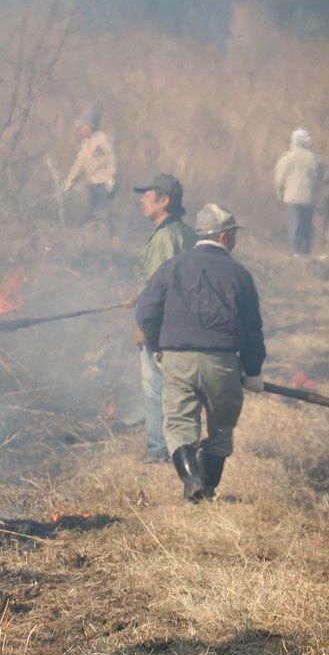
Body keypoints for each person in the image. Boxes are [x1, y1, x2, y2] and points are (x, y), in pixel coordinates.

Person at [135, 204, 266, 502]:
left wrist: (158, 347)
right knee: (220, 431)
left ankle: (192, 480)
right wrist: (253, 371)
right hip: (222, 362)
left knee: (179, 427)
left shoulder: (173, 267)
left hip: (177, 360)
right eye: (232, 235)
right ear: (223, 237)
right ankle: (205, 489)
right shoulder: (239, 273)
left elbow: (145, 312)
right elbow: (252, 328)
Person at [129, 173, 196, 464]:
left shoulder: (166, 237)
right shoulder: (182, 232)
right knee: (178, 389)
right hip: (182, 325)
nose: (142, 200)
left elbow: (161, 287)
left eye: (148, 195)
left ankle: (159, 449)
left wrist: (145, 326)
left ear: (164, 200)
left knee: (155, 387)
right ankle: (180, 447)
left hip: (162, 327)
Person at [59, 112, 118, 233]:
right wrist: (69, 181)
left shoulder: (102, 138)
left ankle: (110, 237)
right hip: (94, 182)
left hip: (105, 181)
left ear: (90, 126)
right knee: (93, 210)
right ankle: (98, 236)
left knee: (102, 211)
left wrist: (112, 177)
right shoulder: (85, 144)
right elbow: (78, 164)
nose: (80, 129)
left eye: (82, 126)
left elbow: (112, 157)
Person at [273, 127, 325, 256]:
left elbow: (279, 179)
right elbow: (322, 176)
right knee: (306, 225)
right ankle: (306, 251)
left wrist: (279, 195)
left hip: (292, 198)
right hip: (309, 198)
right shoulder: (314, 159)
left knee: (295, 224)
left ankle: (296, 251)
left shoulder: (286, 158)